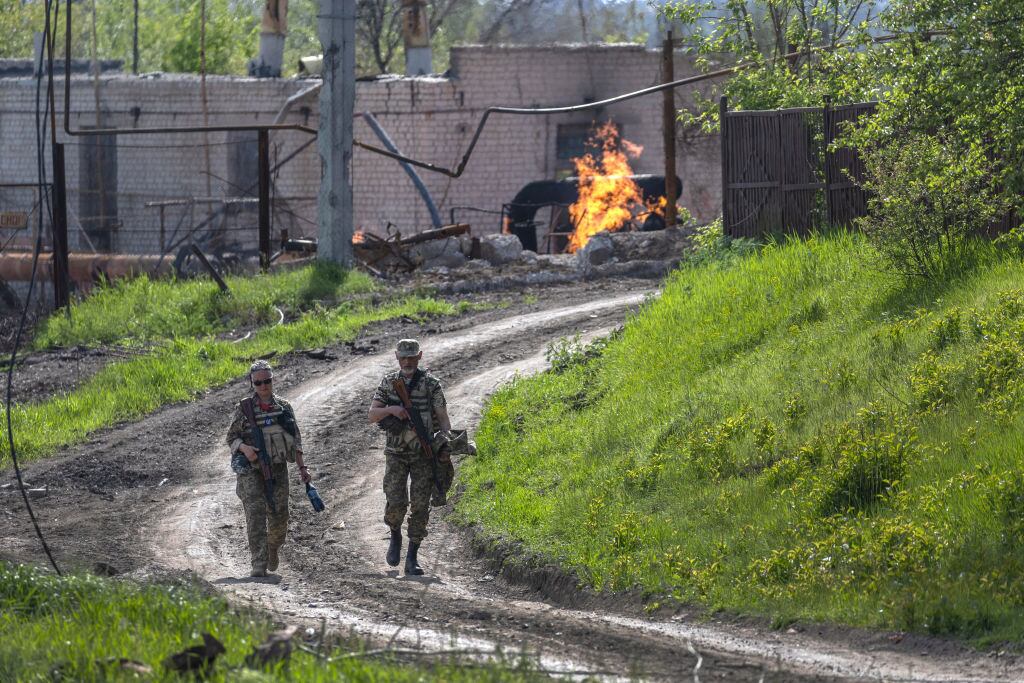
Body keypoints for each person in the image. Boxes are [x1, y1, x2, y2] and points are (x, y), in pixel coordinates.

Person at [368, 339, 454, 575]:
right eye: (403, 357)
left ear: (420, 356)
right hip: (396, 453)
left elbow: (443, 418)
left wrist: (444, 441)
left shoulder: (431, 384)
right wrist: (392, 410)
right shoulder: (389, 382)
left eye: (411, 357)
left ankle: (412, 556)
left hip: (422, 455)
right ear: (396, 356)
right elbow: (372, 414)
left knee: (420, 505)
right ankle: (395, 534)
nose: (407, 362)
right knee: (395, 501)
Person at [225, 360, 311, 577]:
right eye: (258, 382)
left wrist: (303, 469)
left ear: (273, 381)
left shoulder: (284, 407)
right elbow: (231, 438)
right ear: (252, 384)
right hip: (250, 470)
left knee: (279, 516)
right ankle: (259, 562)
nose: (263, 386)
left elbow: (296, 440)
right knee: (255, 515)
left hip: (277, 469)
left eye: (267, 381)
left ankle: (273, 547)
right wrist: (245, 448)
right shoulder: (244, 409)